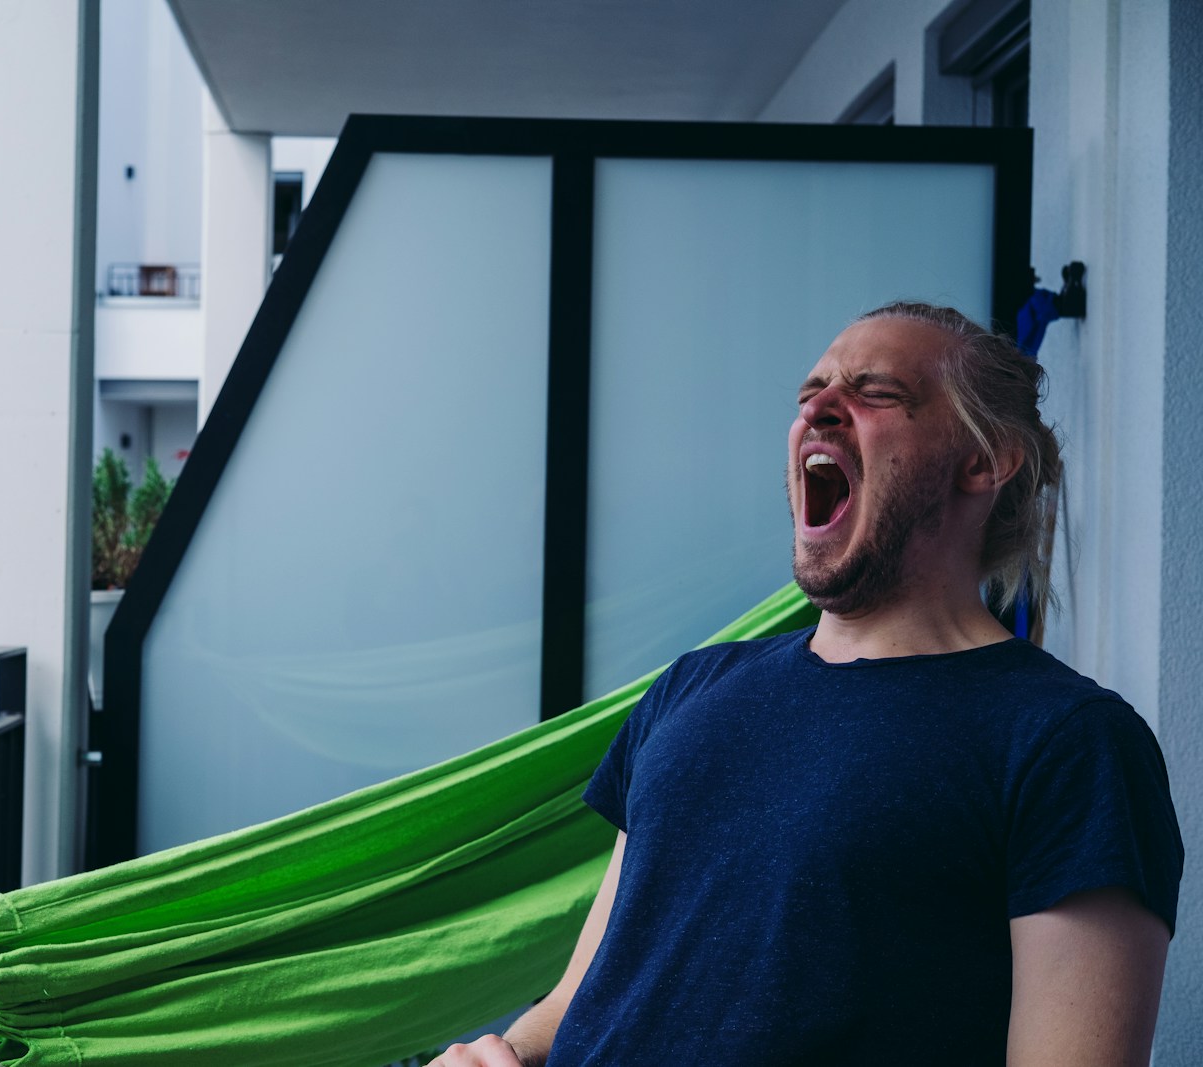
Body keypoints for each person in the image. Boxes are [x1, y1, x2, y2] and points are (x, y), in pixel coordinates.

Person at [431, 302, 1183, 1066]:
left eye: (876, 391)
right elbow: (582, 998)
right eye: (810, 393)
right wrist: (502, 1052)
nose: (817, 409)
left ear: (984, 461)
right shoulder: (690, 688)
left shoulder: (1071, 743)